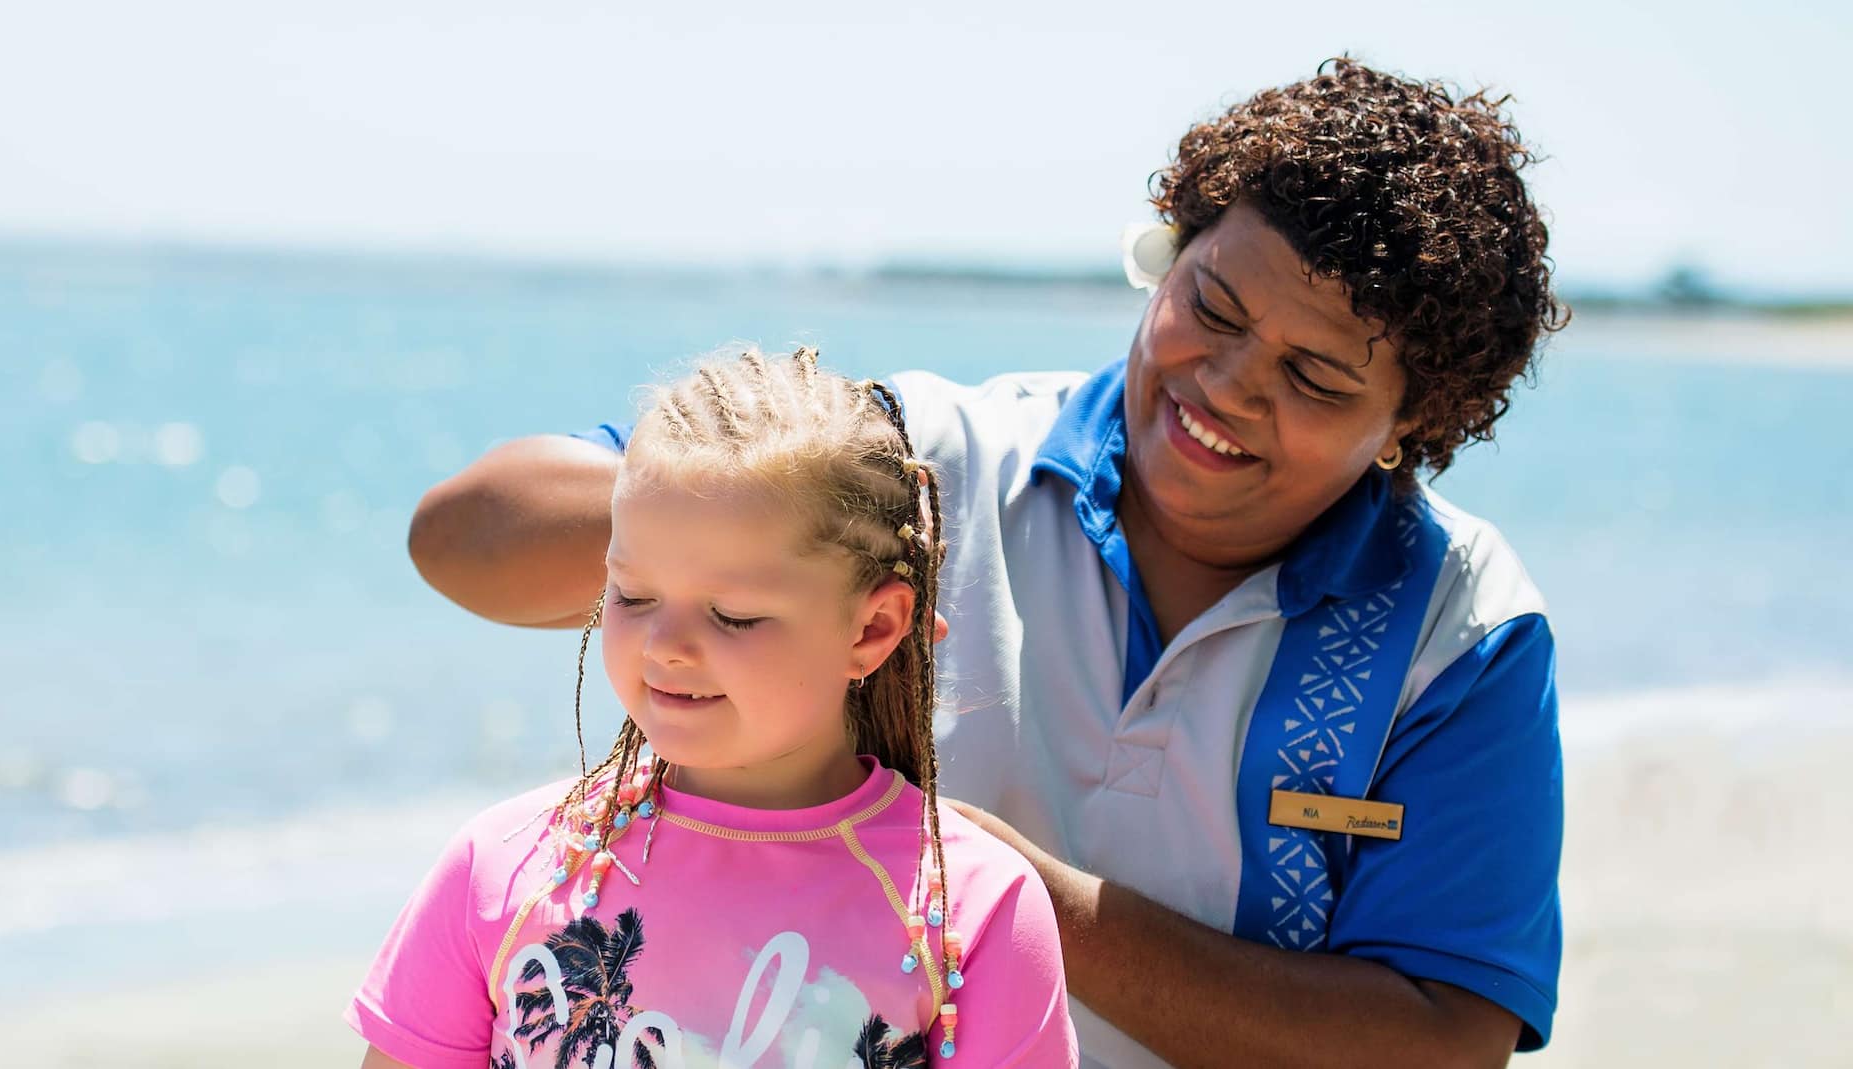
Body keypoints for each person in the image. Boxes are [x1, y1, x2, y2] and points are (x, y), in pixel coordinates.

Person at [407, 59, 1567, 1068]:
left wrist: (989, 890)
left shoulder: (1462, 635)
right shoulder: (917, 467)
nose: (1226, 386)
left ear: (1420, 421)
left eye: (1313, 379)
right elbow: (463, 541)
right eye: (1208, 306)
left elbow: (1437, 1042)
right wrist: (749, 523)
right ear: (1164, 256)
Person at [349, 349, 1078, 1069]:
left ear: (872, 628)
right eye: (632, 595)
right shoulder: (505, 865)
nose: (666, 645)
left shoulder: (974, 909)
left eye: (732, 614)